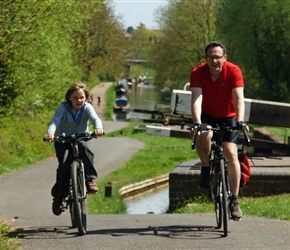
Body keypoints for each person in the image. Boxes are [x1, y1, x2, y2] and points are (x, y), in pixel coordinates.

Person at [190, 41, 248, 220]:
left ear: (225, 58)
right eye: (211, 57)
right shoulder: (198, 72)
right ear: (206, 58)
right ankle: (206, 168)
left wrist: (239, 120)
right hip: (207, 115)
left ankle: (235, 201)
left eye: (218, 57)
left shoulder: (233, 71)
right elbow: (197, 98)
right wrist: (198, 122)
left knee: (231, 152)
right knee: (204, 134)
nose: (214, 61)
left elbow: (239, 98)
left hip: (229, 116)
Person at [44, 82, 104, 216]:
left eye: (82, 97)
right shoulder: (63, 108)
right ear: (69, 97)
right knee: (64, 165)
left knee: (85, 149)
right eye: (75, 97)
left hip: (82, 137)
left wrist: (98, 128)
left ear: (86, 98)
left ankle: (89, 180)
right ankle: (58, 197)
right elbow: (55, 121)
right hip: (63, 139)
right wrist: (50, 133)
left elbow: (95, 118)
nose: (79, 100)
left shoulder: (87, 107)